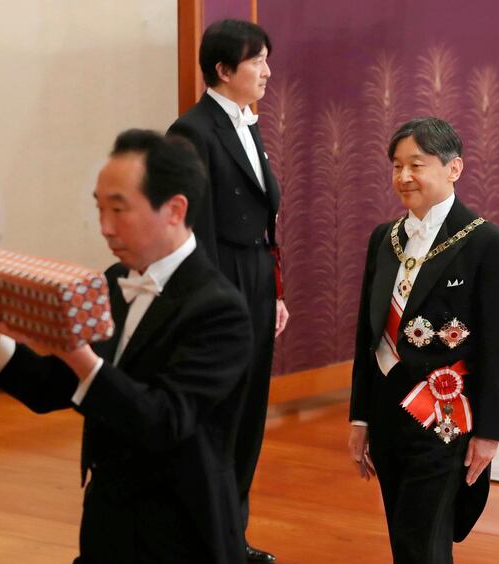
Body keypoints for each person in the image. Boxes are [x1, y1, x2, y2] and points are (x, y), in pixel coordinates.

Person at [0, 130, 252, 563]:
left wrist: (78, 355)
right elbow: (55, 387)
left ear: (175, 209)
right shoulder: (111, 281)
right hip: (108, 521)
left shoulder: (220, 309)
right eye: (99, 208)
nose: (105, 226)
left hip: (182, 530)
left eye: (119, 209)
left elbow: (162, 420)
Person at [348, 117, 499, 563]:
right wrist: (359, 418)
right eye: (396, 166)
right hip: (388, 413)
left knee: (423, 542)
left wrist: (490, 432)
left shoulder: (489, 245)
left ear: (454, 169)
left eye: (417, 164)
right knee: (403, 536)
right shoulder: (384, 239)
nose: (404, 177)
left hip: (444, 418)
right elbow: (366, 335)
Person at [168, 19, 288, 563]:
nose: (267, 70)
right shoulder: (193, 131)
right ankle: (208, 540)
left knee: (251, 412)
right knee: (223, 414)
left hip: (255, 278)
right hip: (223, 281)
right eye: (256, 60)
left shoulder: (247, 123)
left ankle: (232, 536)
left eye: (266, 58)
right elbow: (199, 230)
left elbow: (261, 219)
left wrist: (275, 291)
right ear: (223, 70)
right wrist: (213, 306)